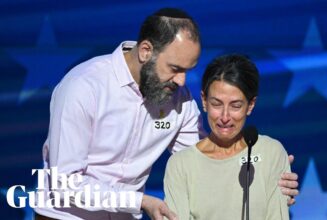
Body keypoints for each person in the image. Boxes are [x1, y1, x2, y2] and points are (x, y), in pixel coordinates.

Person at [34, 8, 298, 220]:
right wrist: (140, 201)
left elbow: (208, 156)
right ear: (146, 51)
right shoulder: (83, 87)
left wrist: (264, 168)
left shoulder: (178, 98)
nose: (182, 81)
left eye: (188, 70)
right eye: (174, 68)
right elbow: (65, 184)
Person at [164, 54, 291, 219]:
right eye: (216, 104)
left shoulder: (271, 153)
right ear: (204, 101)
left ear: (250, 105)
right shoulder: (180, 164)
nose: (224, 117)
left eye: (235, 106)